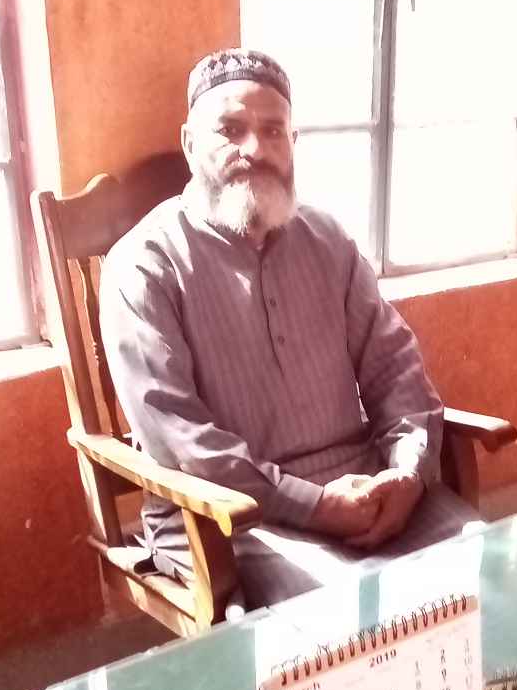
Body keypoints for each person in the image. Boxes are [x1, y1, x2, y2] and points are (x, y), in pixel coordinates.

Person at [100, 48, 478, 609]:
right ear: (189, 143)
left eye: (273, 131)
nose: (256, 149)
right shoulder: (144, 265)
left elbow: (394, 364)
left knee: (484, 564)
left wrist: (408, 473)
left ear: (293, 142)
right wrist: (315, 506)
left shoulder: (329, 241)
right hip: (226, 515)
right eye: (231, 129)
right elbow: (179, 438)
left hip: (364, 487)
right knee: (346, 618)